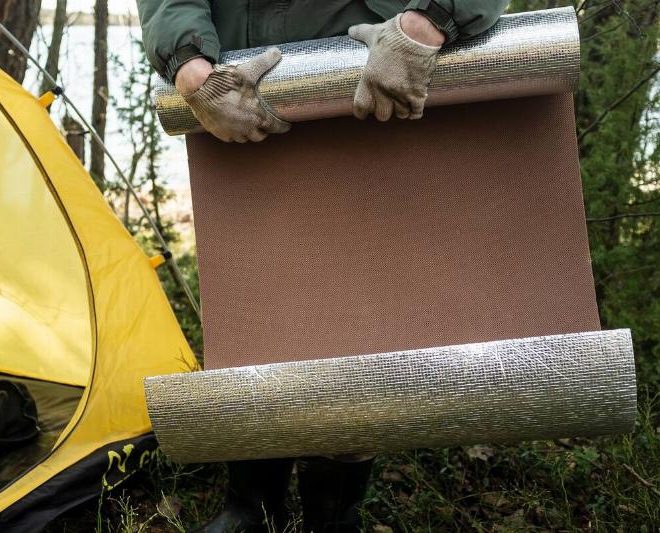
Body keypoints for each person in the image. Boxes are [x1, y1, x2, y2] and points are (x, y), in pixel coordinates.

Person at [136, 1, 509, 530]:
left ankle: (333, 514)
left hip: (370, 73)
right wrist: (191, 66)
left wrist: (429, 21)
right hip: (238, 83)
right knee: (256, 309)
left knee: (353, 312)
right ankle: (251, 507)